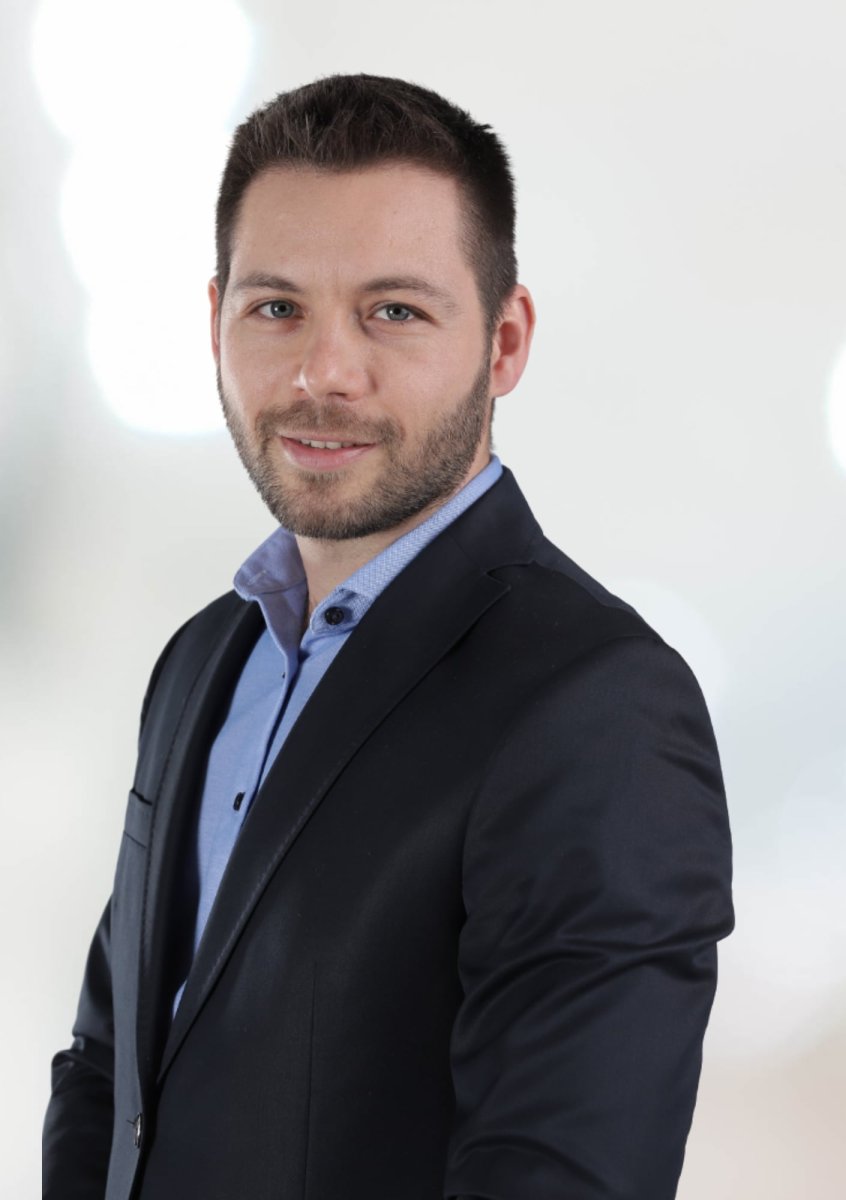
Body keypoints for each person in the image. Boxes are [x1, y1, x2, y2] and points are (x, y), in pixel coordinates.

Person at [42, 74, 734, 1200]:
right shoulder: (204, 660)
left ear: (505, 343)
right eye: (277, 308)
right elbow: (108, 1066)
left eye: (394, 311)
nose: (323, 372)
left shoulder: (599, 704)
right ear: (214, 323)